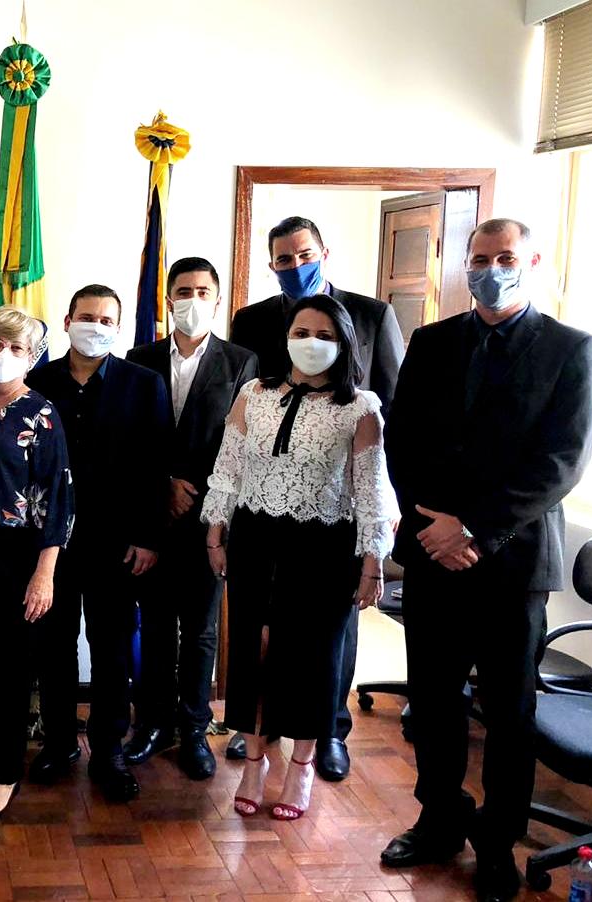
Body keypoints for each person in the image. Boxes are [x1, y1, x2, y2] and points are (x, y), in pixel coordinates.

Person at [380, 218, 592, 902]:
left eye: (504, 257)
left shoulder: (573, 348)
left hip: (512, 565)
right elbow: (401, 442)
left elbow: (561, 462)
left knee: (509, 713)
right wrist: (433, 528)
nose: (489, 270)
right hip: (432, 556)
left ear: (531, 262)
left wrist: (472, 528)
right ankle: (438, 819)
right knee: (433, 702)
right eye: (478, 259)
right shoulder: (430, 341)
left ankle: (498, 842)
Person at [201, 294, 396, 821]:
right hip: (255, 540)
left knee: (313, 658)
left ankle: (302, 765)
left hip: (324, 547)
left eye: (325, 336)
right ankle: (255, 760)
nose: (312, 343)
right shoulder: (253, 394)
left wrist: (373, 562)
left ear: (344, 344)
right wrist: (215, 534)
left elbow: (371, 492)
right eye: (302, 332)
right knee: (254, 651)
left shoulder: (361, 407)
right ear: (286, 338)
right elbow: (228, 468)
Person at [227, 215, 405, 780]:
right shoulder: (252, 320)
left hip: (337, 507)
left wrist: (382, 509)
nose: (294, 265)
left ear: (324, 252)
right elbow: (244, 407)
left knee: (329, 634)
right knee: (264, 626)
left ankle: (329, 731)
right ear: (271, 264)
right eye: (283, 259)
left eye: (303, 255)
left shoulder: (372, 314)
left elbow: (394, 410)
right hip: (265, 507)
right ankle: (262, 728)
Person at [25, 284, 172, 802]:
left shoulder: (144, 384)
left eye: (106, 320)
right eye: (87, 317)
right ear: (67, 322)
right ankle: (60, 742)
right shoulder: (37, 382)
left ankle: (109, 750)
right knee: (54, 646)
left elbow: (156, 465)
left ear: (119, 327)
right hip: (52, 545)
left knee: (112, 650)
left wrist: (149, 537)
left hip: (118, 544)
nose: (96, 327)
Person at [123, 258, 258, 779]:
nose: (193, 300)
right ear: (168, 299)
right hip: (153, 519)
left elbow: (241, 443)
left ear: (217, 300)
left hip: (210, 521)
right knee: (156, 626)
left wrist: (193, 491)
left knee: (201, 632)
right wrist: (163, 483)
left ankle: (195, 729)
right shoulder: (140, 358)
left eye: (203, 291)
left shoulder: (242, 362)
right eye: (184, 291)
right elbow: (132, 437)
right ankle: (152, 723)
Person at [0, 308, 74, 827]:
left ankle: (5, 771)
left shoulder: (41, 413)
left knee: (10, 665)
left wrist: (45, 572)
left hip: (17, 554)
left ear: (32, 357)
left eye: (17, 348)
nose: (3, 355)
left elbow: (59, 497)